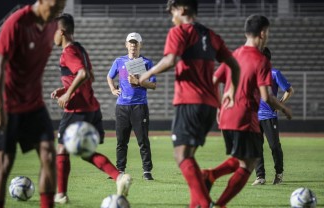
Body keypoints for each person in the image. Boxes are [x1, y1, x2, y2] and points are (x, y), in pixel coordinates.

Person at [139, 0, 240, 207]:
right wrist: (231, 90)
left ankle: (205, 203)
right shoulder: (212, 36)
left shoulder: (179, 32)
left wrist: (146, 74)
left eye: (172, 12)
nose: (171, 17)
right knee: (190, 157)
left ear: (182, 9)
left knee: (181, 155)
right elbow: (234, 66)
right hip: (209, 106)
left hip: (189, 102)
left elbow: (170, 60)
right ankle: (195, 204)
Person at [202, 15, 292, 208]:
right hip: (245, 117)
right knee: (248, 165)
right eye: (267, 32)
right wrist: (284, 108)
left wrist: (219, 106)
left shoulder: (231, 55)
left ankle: (212, 178)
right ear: (262, 33)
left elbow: (213, 82)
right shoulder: (261, 61)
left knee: (243, 159)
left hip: (226, 117)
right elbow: (266, 97)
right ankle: (217, 194)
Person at [0, 0, 66, 208]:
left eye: (61, 8)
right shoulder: (17, 23)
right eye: (55, 6)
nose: (57, 11)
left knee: (49, 154)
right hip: (6, 103)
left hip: (32, 103)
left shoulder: (51, 25)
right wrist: (0, 108)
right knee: (4, 163)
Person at [51, 13, 132, 204]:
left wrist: (68, 94)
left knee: (62, 149)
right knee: (86, 152)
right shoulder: (80, 49)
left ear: (61, 32)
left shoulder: (69, 52)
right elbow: (90, 77)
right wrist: (64, 89)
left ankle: (61, 195)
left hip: (76, 111)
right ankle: (119, 177)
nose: (52, 36)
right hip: (92, 108)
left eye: (53, 31)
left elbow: (83, 73)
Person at [107, 32, 156, 180]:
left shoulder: (147, 63)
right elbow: (109, 76)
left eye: (136, 43)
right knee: (121, 141)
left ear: (140, 45)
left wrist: (139, 82)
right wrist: (113, 89)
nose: (133, 45)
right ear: (126, 45)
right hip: (122, 106)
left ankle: (147, 171)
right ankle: (119, 170)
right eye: (131, 42)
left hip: (139, 106)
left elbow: (153, 84)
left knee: (143, 141)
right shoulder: (119, 61)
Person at [252, 47, 294, 186]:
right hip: (254, 117)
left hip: (269, 116)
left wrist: (280, 103)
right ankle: (260, 176)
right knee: (256, 147)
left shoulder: (275, 73)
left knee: (274, 146)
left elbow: (289, 90)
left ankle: (279, 173)